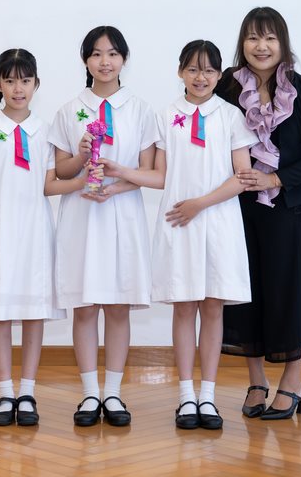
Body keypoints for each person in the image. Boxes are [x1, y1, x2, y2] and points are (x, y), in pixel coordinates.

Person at [106, 39, 257, 430]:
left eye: (208, 70)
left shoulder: (231, 116)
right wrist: (120, 172)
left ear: (219, 75)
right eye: (192, 69)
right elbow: (160, 175)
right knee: (184, 306)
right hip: (178, 223)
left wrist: (200, 204)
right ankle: (186, 397)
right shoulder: (166, 115)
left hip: (218, 223)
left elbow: (242, 177)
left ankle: (208, 397)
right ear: (180, 72)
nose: (200, 77)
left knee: (213, 307)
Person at [216, 7, 301, 421]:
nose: (261, 46)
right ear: (242, 43)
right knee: (245, 295)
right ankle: (256, 382)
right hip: (236, 207)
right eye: (252, 37)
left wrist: (275, 179)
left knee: (288, 295)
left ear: (283, 43)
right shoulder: (227, 87)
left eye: (269, 38)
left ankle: (293, 384)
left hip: (284, 209)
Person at [49, 26, 160, 427]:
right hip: (81, 216)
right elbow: (60, 171)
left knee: (117, 306)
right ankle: (89, 393)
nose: (105, 62)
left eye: (113, 53)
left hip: (122, 213)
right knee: (84, 307)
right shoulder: (69, 110)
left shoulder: (141, 110)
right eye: (96, 54)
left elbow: (150, 172)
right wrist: (81, 157)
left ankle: (112, 392)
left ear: (124, 59)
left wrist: (115, 185)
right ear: (85, 60)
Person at [0, 48, 64, 427]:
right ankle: (5, 392)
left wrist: (86, 175)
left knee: (34, 313)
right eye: (10, 80)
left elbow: (50, 184)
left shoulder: (47, 132)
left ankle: (28, 391)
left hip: (36, 234)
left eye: (25, 80)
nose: (18, 88)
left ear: (36, 84)